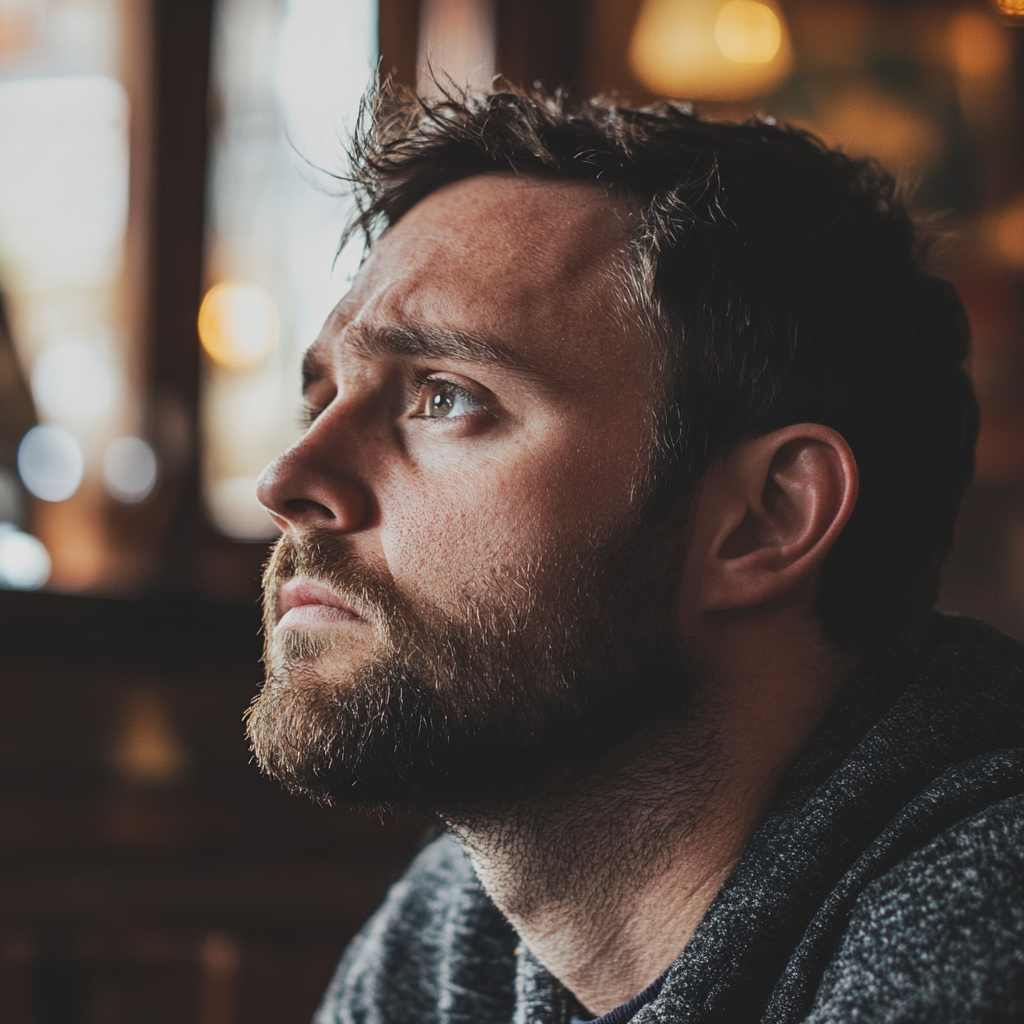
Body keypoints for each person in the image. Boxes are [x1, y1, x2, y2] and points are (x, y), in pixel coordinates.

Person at [247, 83, 1024, 1024]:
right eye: (322, 396)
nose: (288, 479)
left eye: (445, 396)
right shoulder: (462, 934)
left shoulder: (982, 920)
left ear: (764, 520)